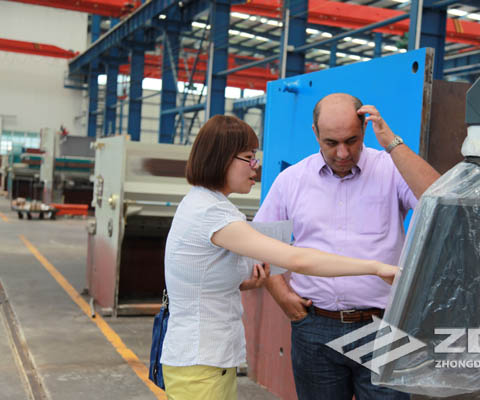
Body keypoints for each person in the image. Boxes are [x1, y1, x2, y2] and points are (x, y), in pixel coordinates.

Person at [160, 114, 400, 400]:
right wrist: (375, 267)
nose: (256, 165)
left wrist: (248, 279)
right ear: (221, 158)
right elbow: (296, 260)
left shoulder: (203, 204)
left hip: (205, 361)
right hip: (200, 361)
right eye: (249, 157)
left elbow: (203, 276)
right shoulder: (212, 213)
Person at [254, 93, 441, 400]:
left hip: (383, 326)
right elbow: (262, 242)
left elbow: (440, 200)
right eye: (331, 142)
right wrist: (281, 294)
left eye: (352, 141)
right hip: (315, 327)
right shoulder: (292, 181)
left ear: (365, 129)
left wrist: (392, 143)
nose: (342, 153)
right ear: (315, 133)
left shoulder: (390, 170)